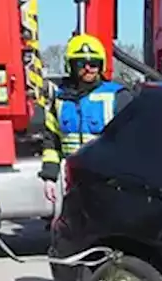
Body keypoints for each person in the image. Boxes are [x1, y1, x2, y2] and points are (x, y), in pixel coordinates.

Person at [36, 33, 133, 202]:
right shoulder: (59, 100)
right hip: (73, 184)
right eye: (81, 63)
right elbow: (51, 141)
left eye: (93, 64)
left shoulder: (117, 96)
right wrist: (49, 177)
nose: (88, 68)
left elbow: (132, 142)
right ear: (70, 66)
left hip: (108, 184)